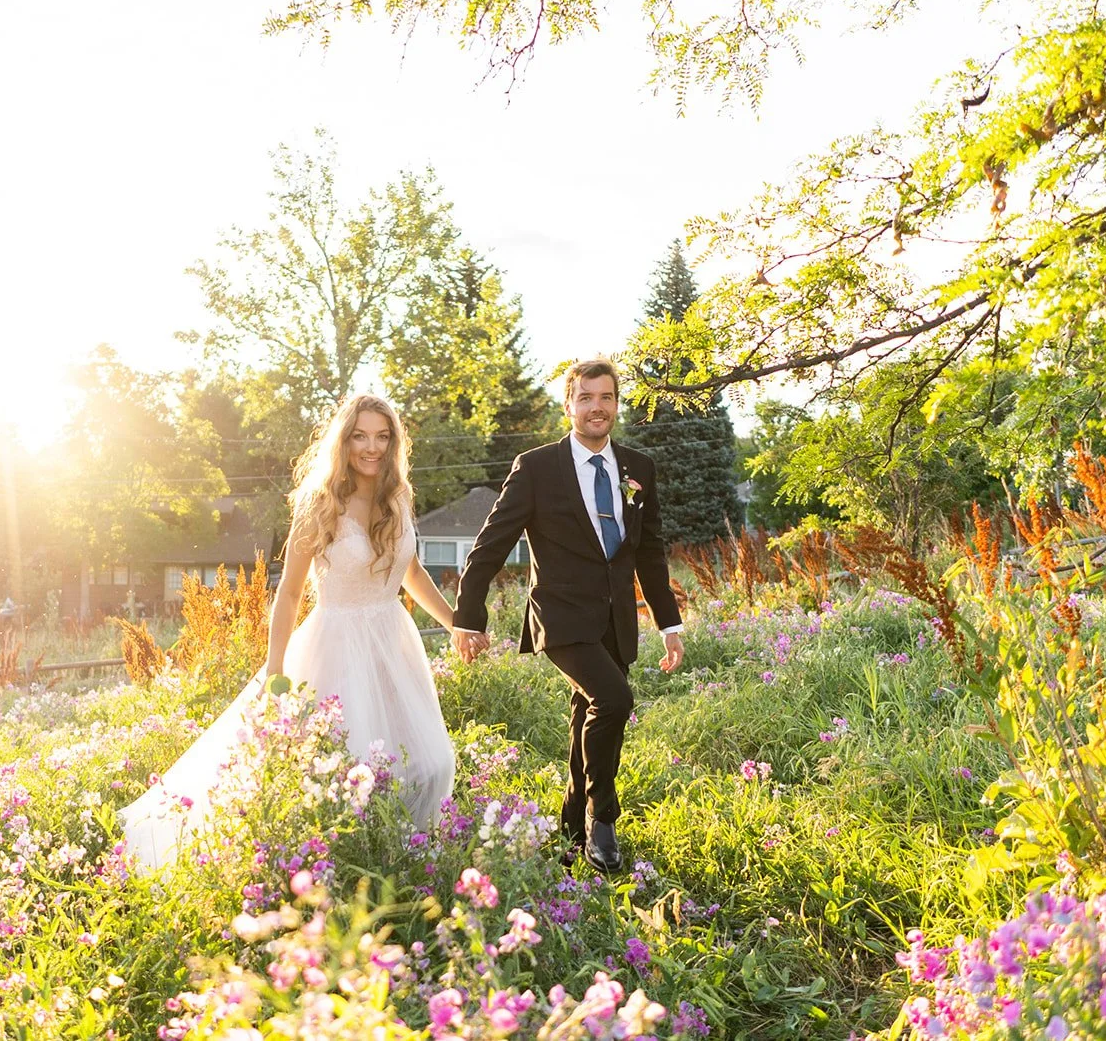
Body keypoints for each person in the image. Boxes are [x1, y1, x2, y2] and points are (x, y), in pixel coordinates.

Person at [119, 395, 458, 872]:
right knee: (346, 772)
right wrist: (275, 666)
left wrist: (457, 623)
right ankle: (347, 873)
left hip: (393, 643)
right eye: (360, 435)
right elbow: (291, 593)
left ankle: (409, 863)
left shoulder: (397, 496)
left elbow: (413, 573)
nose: (372, 447)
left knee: (430, 761)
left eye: (383, 436)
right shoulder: (318, 505)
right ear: (343, 441)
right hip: (335, 646)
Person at [452, 358, 684, 874]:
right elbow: (491, 544)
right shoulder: (537, 467)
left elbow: (649, 552)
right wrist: (469, 615)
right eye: (586, 398)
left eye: (606, 398)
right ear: (569, 405)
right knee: (614, 699)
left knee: (590, 717)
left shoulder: (637, 469)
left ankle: (572, 832)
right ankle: (606, 817)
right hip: (560, 617)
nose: (596, 407)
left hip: (615, 619)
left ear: (616, 404)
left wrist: (669, 624)